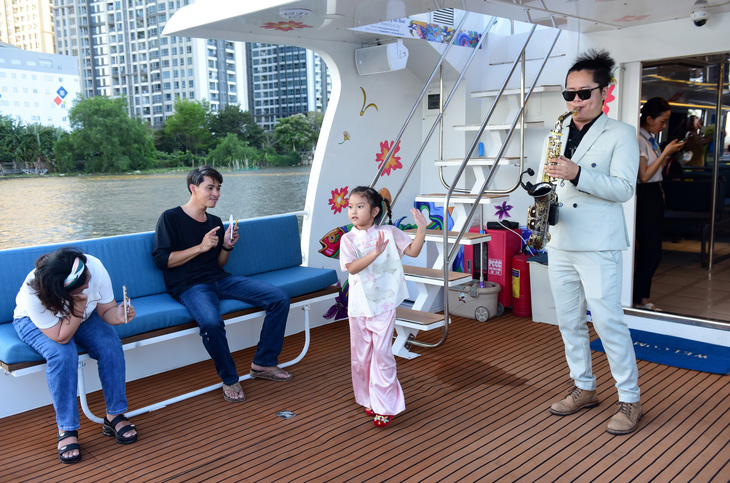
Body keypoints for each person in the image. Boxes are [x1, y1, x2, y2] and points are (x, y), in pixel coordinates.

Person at [542, 49, 642, 434]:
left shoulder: (621, 133)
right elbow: (551, 181)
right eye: (569, 94)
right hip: (561, 237)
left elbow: (623, 189)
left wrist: (577, 172)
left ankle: (630, 400)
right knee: (568, 321)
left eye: (584, 93)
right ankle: (584, 387)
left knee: (607, 321)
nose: (576, 102)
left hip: (599, 243)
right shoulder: (557, 131)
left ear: (605, 92)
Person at [152, 166, 292, 404]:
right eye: (210, 188)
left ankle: (263, 363)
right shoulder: (171, 218)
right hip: (189, 286)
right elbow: (162, 261)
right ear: (193, 188)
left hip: (220, 279)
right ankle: (229, 378)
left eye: (218, 188)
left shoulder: (214, 221)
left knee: (279, 298)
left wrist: (226, 245)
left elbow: (218, 262)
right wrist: (200, 247)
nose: (216, 193)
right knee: (211, 322)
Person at [13, 248, 138, 464]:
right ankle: (67, 429)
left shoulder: (93, 267)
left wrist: (118, 316)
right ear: (62, 291)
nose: (89, 285)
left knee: (110, 344)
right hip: (36, 324)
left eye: (87, 279)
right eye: (82, 287)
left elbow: (105, 310)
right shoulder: (33, 292)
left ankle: (114, 415)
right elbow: (60, 336)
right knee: (62, 355)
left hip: (83, 316)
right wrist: (78, 307)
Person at [339, 187, 426, 428]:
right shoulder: (347, 239)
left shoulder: (389, 232)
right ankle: (370, 400)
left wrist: (421, 230)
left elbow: (413, 251)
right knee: (361, 357)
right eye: (350, 206)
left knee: (382, 355)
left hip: (384, 305)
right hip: (358, 306)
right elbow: (353, 268)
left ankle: (386, 406)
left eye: (360, 206)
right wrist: (375, 254)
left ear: (375, 210)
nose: (353, 211)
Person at [633, 98, 686, 311]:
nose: (663, 126)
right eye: (662, 121)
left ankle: (642, 297)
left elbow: (656, 171)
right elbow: (644, 176)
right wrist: (665, 153)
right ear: (649, 119)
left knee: (652, 250)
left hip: (654, 194)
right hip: (646, 195)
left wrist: (666, 154)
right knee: (651, 251)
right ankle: (639, 298)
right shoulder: (638, 140)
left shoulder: (650, 139)